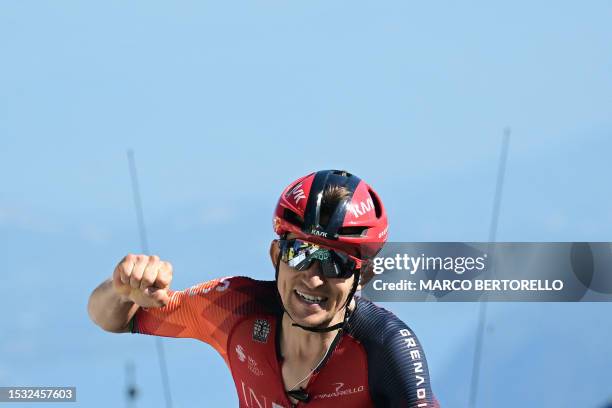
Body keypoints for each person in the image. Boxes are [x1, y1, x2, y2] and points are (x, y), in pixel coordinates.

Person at [88, 169, 440, 407]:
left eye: (337, 263)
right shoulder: (236, 309)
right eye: (299, 253)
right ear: (276, 255)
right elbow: (113, 318)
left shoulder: (385, 346)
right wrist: (122, 287)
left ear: (363, 277)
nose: (313, 278)